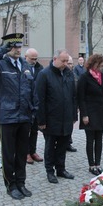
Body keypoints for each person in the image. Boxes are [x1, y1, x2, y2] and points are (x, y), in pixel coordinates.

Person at [0, 33, 38, 200]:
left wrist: (33, 110)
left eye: (19, 46)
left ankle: (21, 182)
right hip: (8, 117)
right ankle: (10, 185)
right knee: (8, 154)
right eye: (13, 46)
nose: (18, 49)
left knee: (21, 153)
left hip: (24, 117)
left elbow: (32, 89)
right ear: (7, 47)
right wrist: (1, 51)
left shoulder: (25, 65)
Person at [36, 49, 77, 184]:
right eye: (63, 61)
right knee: (50, 147)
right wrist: (41, 120)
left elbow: (73, 96)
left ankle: (61, 169)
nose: (66, 64)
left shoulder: (69, 74)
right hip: (51, 118)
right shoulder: (44, 74)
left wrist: (74, 115)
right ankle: (50, 171)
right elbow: (39, 100)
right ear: (55, 59)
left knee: (62, 145)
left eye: (67, 61)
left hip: (66, 118)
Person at [77, 54, 103, 176]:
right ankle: (91, 165)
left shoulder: (101, 76)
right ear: (93, 64)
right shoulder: (84, 77)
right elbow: (80, 98)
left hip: (101, 112)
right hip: (90, 113)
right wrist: (84, 115)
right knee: (90, 140)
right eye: (100, 65)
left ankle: (98, 164)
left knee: (99, 140)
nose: (101, 68)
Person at [24, 48, 45, 164]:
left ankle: (33, 151)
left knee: (34, 131)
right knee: (25, 131)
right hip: (25, 104)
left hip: (36, 104)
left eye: (36, 59)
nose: (34, 61)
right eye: (32, 59)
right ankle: (26, 153)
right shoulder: (22, 67)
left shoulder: (40, 68)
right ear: (26, 57)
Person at [66, 56, 78, 152]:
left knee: (70, 125)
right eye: (68, 63)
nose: (70, 65)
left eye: (71, 64)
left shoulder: (72, 75)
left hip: (71, 104)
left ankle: (68, 142)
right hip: (62, 104)